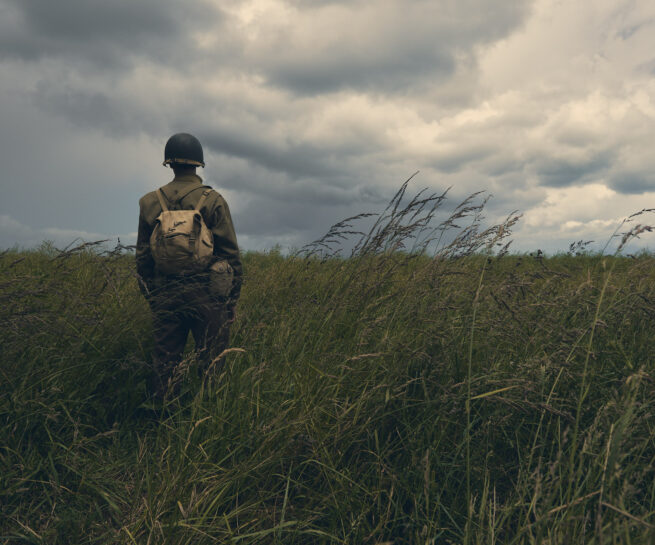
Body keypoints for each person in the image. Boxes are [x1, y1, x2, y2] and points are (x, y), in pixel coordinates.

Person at [136, 133, 242, 401]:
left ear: (169, 163)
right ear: (198, 164)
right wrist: (230, 301)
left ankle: (161, 420)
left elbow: (143, 257)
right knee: (213, 363)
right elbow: (230, 254)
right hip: (208, 293)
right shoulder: (214, 200)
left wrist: (154, 297)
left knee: (165, 362)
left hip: (166, 291)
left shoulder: (150, 202)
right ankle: (210, 419)